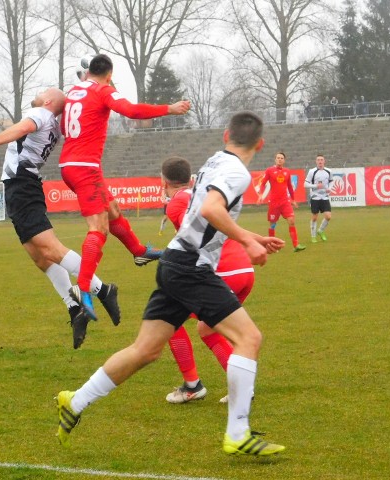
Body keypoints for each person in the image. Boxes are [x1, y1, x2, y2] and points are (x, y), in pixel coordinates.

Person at [56, 111, 287, 457]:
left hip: (174, 263)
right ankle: (237, 432)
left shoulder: (214, 161)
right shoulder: (237, 172)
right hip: (191, 267)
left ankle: (75, 400)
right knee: (249, 338)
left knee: (145, 351)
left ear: (226, 135)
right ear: (261, 144)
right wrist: (249, 241)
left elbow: (200, 215)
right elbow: (210, 209)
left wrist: (251, 236)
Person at [0, 87, 120, 349]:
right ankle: (75, 309)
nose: (38, 95)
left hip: (22, 186)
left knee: (51, 249)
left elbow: (20, 129)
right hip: (21, 187)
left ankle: (102, 289)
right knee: (40, 257)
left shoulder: (40, 113)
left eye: (42, 92)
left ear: (49, 101)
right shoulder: (53, 123)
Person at [58, 53, 190, 321]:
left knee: (113, 209)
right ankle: (84, 291)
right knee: (99, 228)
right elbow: (131, 111)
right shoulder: (102, 89)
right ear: (109, 74)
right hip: (85, 167)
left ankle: (139, 252)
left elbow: (64, 126)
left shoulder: (75, 91)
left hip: (70, 164)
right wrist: (170, 108)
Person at [161, 156, 256, 405]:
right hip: (243, 269)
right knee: (207, 329)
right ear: (191, 178)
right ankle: (241, 388)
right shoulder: (203, 193)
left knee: (166, 321)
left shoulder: (176, 203)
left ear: (164, 181)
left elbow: (198, 238)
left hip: (219, 270)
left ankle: (192, 386)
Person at [257, 151, 306, 252]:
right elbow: (263, 184)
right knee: (273, 224)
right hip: (274, 203)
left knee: (291, 221)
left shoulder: (287, 171)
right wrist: (261, 195)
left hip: (285, 202)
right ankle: (271, 245)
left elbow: (290, 187)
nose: (280, 159)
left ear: (284, 160)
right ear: (275, 159)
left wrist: (293, 199)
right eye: (278, 158)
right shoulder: (270, 170)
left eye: (281, 158)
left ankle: (296, 245)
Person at [304, 154, 333, 243]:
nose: (320, 161)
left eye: (321, 160)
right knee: (314, 218)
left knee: (328, 216)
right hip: (315, 197)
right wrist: (316, 185)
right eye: (318, 160)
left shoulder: (328, 171)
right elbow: (305, 184)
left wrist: (329, 189)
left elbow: (331, 181)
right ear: (316, 161)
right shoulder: (312, 171)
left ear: (324, 161)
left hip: (324, 197)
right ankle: (313, 236)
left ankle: (320, 230)